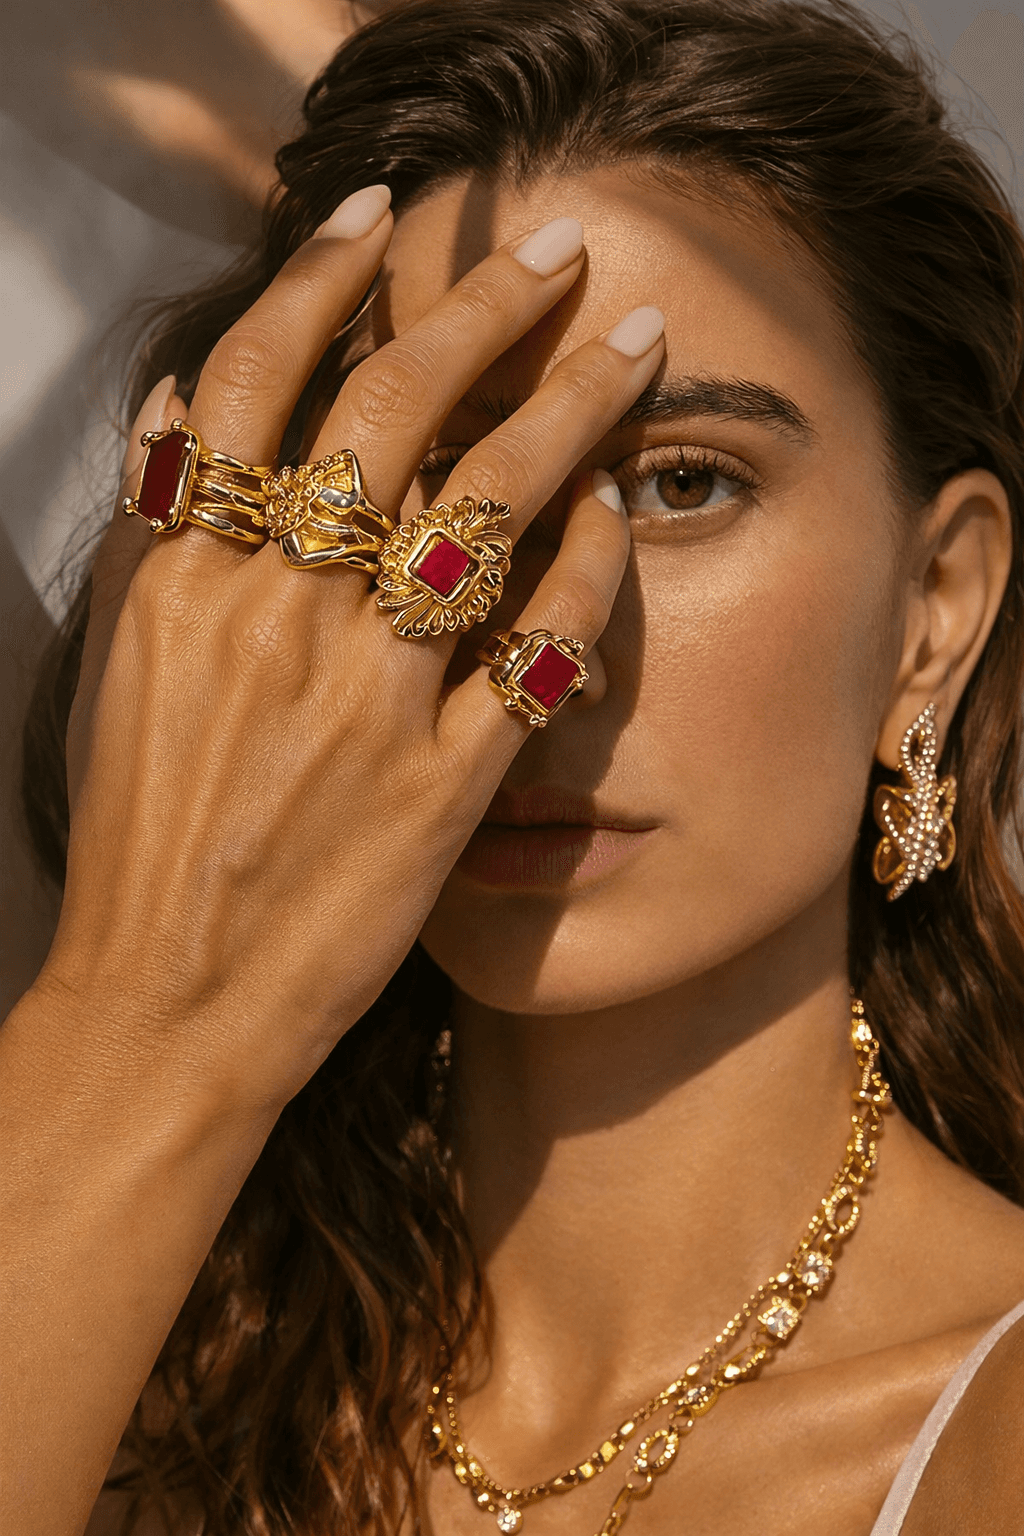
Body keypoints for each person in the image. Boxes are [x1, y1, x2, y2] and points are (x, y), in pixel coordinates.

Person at [5, 0, 1024, 1530]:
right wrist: (149, 1007)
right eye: (438, 488)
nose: (548, 638)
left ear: (933, 613)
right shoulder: (129, 1364)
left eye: (683, 482)